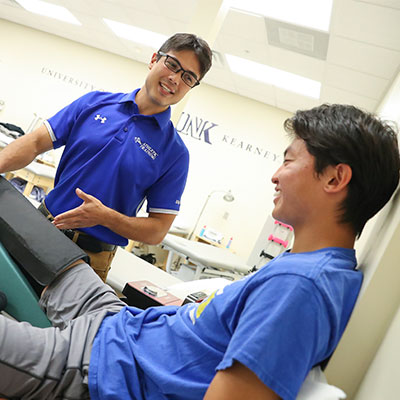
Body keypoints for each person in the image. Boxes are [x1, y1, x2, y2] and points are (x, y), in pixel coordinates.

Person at [0, 104, 399, 400]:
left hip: (101, 367)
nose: (275, 175)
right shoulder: (310, 266)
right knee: (9, 204)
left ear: (335, 177)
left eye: (289, 161)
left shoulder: (302, 288)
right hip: (120, 322)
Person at [0, 33, 213, 281]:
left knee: (55, 322)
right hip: (39, 229)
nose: (175, 78)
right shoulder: (94, 104)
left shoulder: (175, 154)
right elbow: (35, 142)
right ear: (154, 59)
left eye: (188, 77)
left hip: (89, 260)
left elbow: (157, 230)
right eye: (172, 65)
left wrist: (105, 217)